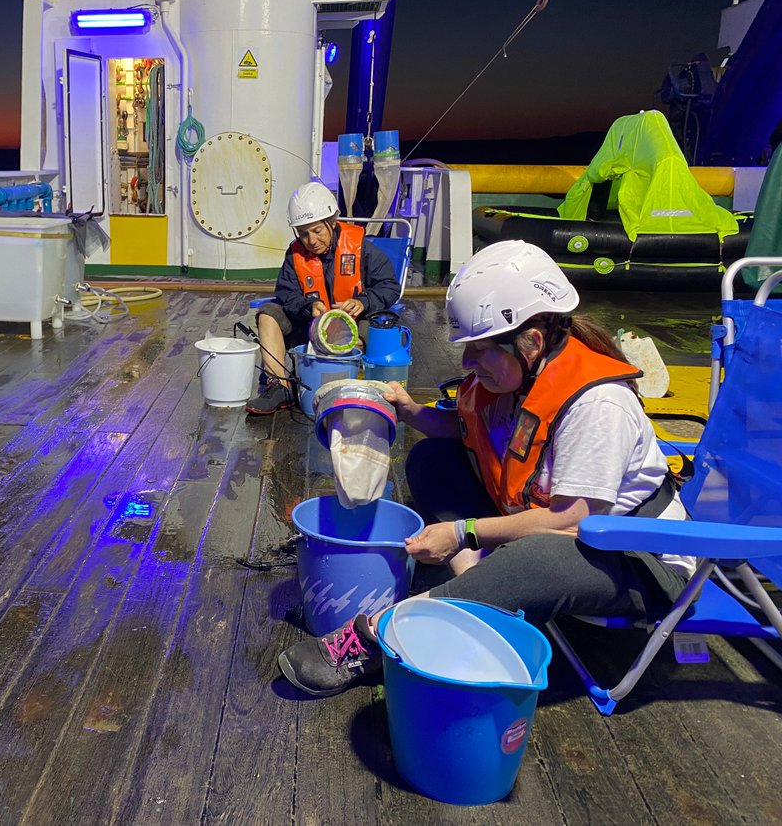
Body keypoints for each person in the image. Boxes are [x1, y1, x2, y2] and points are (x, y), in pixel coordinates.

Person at [277, 240, 692, 696]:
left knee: (536, 558)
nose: (467, 363)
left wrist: (460, 532)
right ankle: (479, 586)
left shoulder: (598, 405)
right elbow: (466, 429)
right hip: (545, 527)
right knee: (431, 460)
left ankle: (379, 637)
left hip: (638, 562)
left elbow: (573, 522)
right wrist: (411, 411)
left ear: (532, 340)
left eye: (478, 350)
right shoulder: (518, 374)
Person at [247, 182, 401, 415]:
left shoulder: (362, 248)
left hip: (352, 328)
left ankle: (340, 383)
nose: (311, 240)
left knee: (376, 332)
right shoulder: (294, 254)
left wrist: (363, 302)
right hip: (310, 326)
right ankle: (279, 386)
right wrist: (308, 306)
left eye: (317, 230)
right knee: (268, 314)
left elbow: (389, 286)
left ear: (332, 222)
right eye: (303, 233)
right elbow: (286, 293)